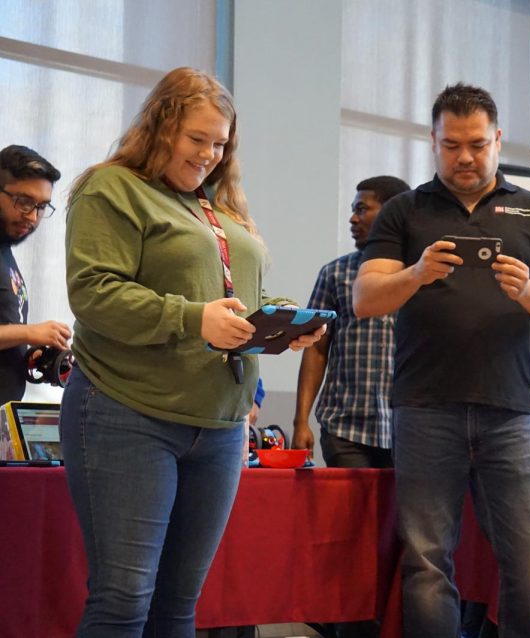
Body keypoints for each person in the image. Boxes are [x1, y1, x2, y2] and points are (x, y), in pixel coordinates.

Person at [60, 67, 324, 636]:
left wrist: (280, 321)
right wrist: (191, 318)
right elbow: (94, 292)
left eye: (219, 143)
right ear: (160, 129)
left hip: (221, 427)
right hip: (127, 416)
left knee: (180, 606)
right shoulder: (112, 188)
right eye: (196, 139)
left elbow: (235, 297)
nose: (208, 154)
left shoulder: (216, 206)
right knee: (124, 599)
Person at [353, 83, 530, 638]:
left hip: (510, 412)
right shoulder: (405, 212)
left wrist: (527, 289)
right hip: (425, 410)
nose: (464, 156)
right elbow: (364, 300)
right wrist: (415, 274)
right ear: (433, 142)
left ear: (498, 140)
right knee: (427, 562)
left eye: (477, 144)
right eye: (452, 144)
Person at [291, 174, 410, 470]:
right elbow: (316, 348)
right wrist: (300, 421)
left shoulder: (421, 274)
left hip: (408, 430)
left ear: (393, 213)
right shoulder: (335, 273)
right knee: (349, 517)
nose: (353, 219)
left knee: (401, 518)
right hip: (344, 427)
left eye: (362, 209)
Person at [0, 145, 70, 404]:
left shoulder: (5, 249)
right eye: (24, 202)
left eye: (41, 206)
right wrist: (29, 333)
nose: (32, 216)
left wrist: (28, 357)